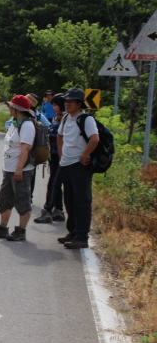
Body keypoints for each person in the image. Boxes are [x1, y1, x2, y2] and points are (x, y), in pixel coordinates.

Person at [0, 95, 35, 241]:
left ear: (17, 109)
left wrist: (19, 168)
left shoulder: (27, 125)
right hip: (9, 168)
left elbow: (25, 148)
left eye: (11, 106)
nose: (9, 108)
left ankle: (21, 231)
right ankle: (2, 227)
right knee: (4, 199)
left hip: (21, 170)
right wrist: (6, 168)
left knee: (22, 199)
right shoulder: (15, 123)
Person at [57, 88, 99, 249]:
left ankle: (82, 236)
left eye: (70, 101)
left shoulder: (86, 119)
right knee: (69, 200)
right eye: (66, 101)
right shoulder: (66, 118)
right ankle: (73, 231)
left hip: (79, 166)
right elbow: (60, 136)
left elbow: (94, 139)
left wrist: (84, 155)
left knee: (82, 201)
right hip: (66, 164)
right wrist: (61, 154)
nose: (66, 104)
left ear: (79, 104)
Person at [34, 93, 66, 223]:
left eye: (56, 105)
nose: (53, 108)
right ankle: (58, 210)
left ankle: (47, 211)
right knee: (56, 184)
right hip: (55, 156)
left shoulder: (66, 119)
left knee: (53, 184)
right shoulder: (58, 119)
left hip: (61, 157)